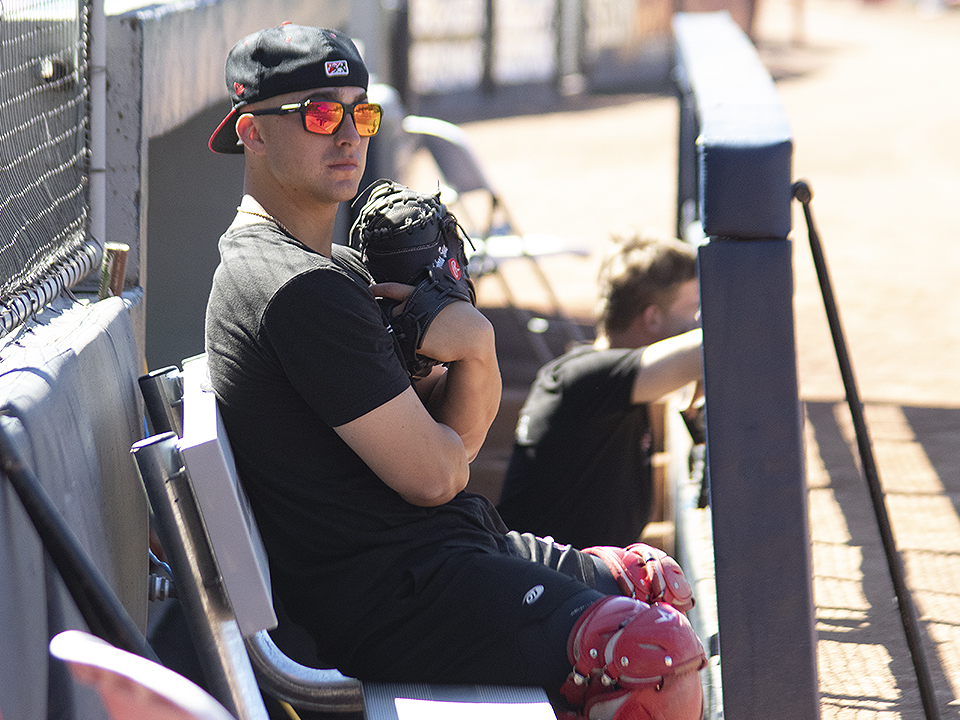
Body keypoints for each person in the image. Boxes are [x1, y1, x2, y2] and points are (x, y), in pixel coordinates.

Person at [203, 23, 705, 719]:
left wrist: (465, 356)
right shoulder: (292, 286)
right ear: (250, 131)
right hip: (400, 596)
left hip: (445, 550)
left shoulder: (334, 270)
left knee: (654, 583)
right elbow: (437, 474)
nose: (349, 133)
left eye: (362, 111)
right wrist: (477, 344)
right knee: (648, 657)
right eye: (320, 113)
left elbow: (455, 452)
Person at [497, 236, 703, 549]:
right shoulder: (583, 377)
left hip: (576, 582)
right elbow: (713, 344)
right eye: (694, 309)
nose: (698, 321)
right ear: (653, 318)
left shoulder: (618, 389)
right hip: (539, 587)